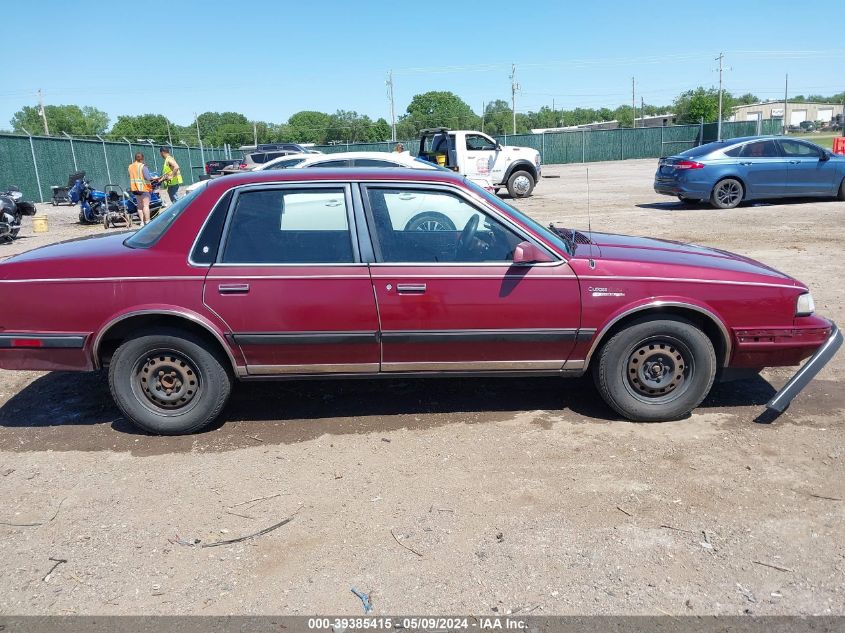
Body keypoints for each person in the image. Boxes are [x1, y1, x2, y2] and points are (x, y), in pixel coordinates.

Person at [128, 153, 154, 226]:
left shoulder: (130, 166)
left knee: (139, 206)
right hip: (143, 188)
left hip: (135, 189)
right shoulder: (143, 166)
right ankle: (148, 221)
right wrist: (154, 178)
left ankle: (142, 222)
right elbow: (147, 178)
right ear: (142, 158)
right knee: (146, 205)